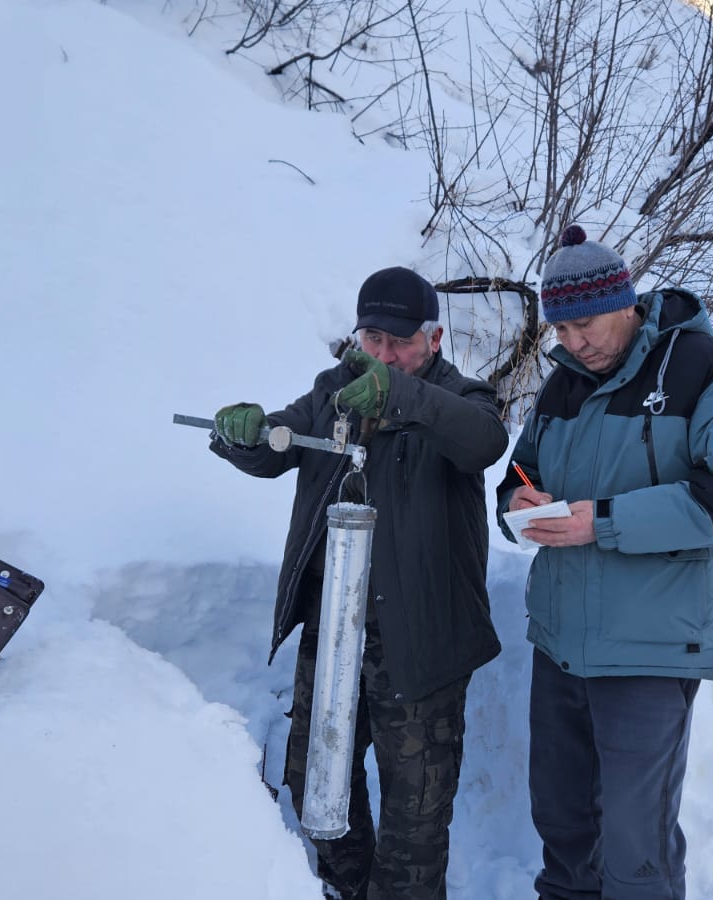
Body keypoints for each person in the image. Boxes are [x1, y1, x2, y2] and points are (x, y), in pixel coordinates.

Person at [210, 265, 507, 900]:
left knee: (416, 815)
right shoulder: (334, 389)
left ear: (434, 338)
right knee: (315, 783)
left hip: (422, 642)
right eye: (372, 339)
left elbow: (483, 442)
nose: (384, 355)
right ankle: (350, 888)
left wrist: (398, 394)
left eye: (400, 342)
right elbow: (278, 446)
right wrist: (243, 434)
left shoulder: (465, 398)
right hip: (336, 631)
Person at [496, 225, 713, 899]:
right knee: (563, 830)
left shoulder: (705, 369)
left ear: (624, 302)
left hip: (648, 652)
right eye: (560, 331)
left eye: (584, 324)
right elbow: (519, 473)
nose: (573, 342)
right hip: (560, 646)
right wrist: (520, 500)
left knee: (634, 849)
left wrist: (605, 521)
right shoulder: (562, 387)